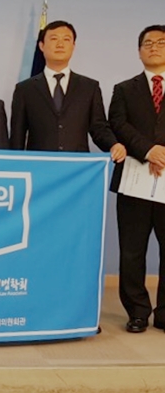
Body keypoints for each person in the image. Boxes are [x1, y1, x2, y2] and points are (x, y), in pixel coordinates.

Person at [109, 24, 165, 333]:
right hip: (134, 179)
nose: (154, 47)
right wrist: (148, 150)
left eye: (161, 42)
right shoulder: (123, 89)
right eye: (148, 43)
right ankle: (137, 311)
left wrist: (163, 153)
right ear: (139, 51)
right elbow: (118, 124)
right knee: (132, 250)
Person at [10, 20, 126, 162]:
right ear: (41, 45)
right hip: (39, 166)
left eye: (66, 39)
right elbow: (17, 137)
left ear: (73, 46)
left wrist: (113, 145)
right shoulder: (24, 89)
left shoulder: (89, 87)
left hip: (77, 168)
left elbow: (99, 128)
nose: (60, 44)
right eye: (54, 39)